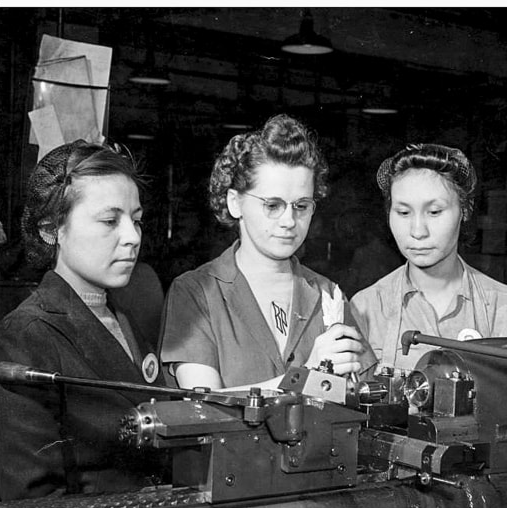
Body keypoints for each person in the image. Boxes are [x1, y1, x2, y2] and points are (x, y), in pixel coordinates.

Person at [0, 140, 169, 501]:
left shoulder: (127, 314)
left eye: (136, 220)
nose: (132, 237)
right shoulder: (25, 336)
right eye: (110, 221)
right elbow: (34, 501)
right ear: (50, 229)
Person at [160, 115, 375, 390]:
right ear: (235, 203)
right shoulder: (196, 293)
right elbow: (204, 405)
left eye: (301, 206)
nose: (288, 220)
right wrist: (308, 375)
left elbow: (362, 394)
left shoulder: (328, 295)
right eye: (272, 205)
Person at [351, 143, 507, 372]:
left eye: (434, 212)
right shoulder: (366, 308)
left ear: (465, 210)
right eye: (403, 212)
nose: (418, 231)